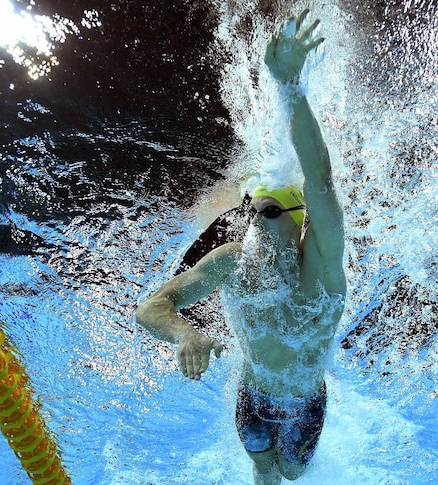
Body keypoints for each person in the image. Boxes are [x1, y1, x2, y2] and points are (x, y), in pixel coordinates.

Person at [135, 10, 346, 485]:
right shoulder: (233, 262)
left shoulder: (324, 265)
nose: (254, 226)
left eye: (269, 213)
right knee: (261, 467)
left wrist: (289, 87)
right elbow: (150, 307)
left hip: (306, 404)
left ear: (300, 222)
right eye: (251, 214)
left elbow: (320, 179)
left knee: (290, 474)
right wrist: (184, 334)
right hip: (252, 399)